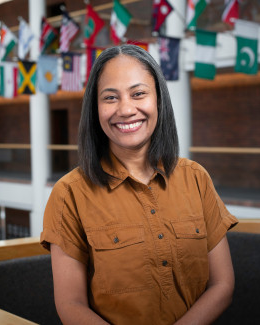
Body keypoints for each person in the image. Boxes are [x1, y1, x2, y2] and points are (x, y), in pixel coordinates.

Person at [40, 44, 238, 325]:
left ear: (158, 99)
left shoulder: (196, 178)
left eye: (138, 94)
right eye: (110, 97)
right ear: (95, 108)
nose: (126, 109)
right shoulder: (68, 194)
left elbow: (223, 285)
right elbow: (70, 305)